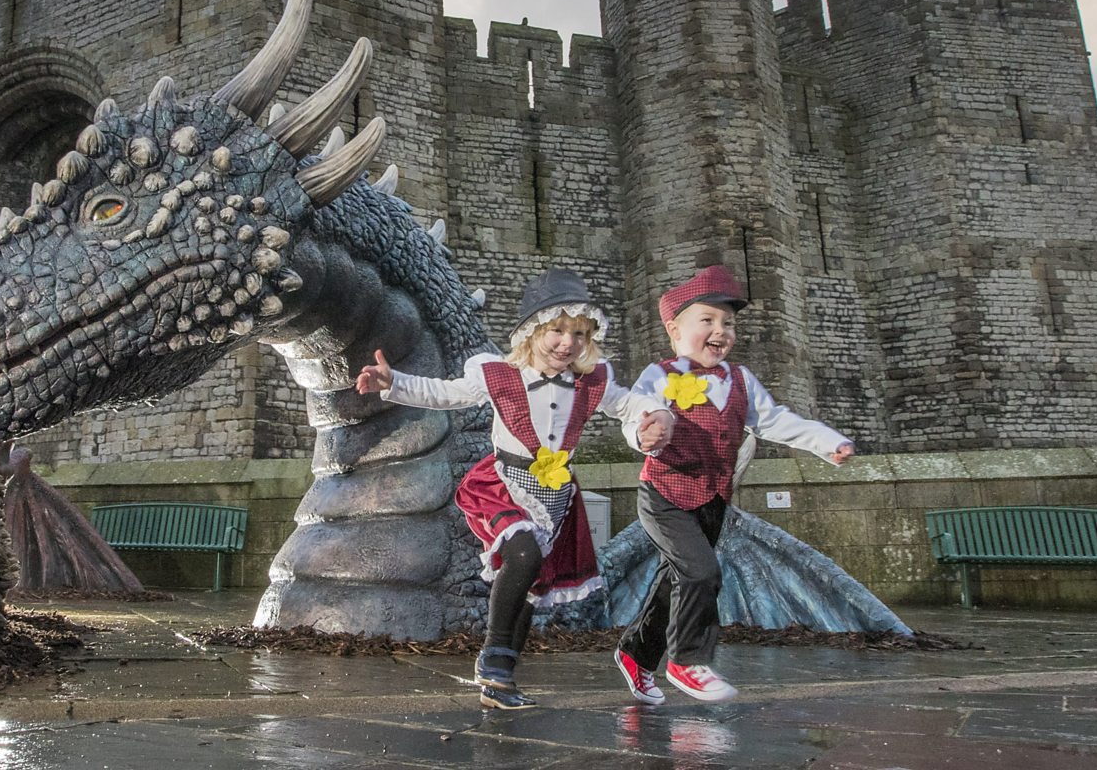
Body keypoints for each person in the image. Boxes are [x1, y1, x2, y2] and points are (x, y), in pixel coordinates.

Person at [356, 269, 673, 711]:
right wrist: (396, 383)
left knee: (533, 584)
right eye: (557, 331)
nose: (568, 343)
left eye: (580, 334)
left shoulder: (592, 380)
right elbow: (448, 394)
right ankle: (492, 657)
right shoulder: (500, 374)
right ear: (532, 332)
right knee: (522, 555)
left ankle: (501, 681)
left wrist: (654, 417)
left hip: (556, 491)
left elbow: (628, 406)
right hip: (505, 482)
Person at [612, 265, 856, 705]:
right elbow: (637, 413)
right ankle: (687, 661)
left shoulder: (741, 380)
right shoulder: (660, 374)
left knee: (678, 580)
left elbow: (776, 420)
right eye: (706, 320)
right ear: (675, 329)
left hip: (712, 499)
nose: (720, 331)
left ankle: (635, 654)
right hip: (664, 493)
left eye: (728, 323)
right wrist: (644, 435)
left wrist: (828, 442)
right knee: (703, 572)